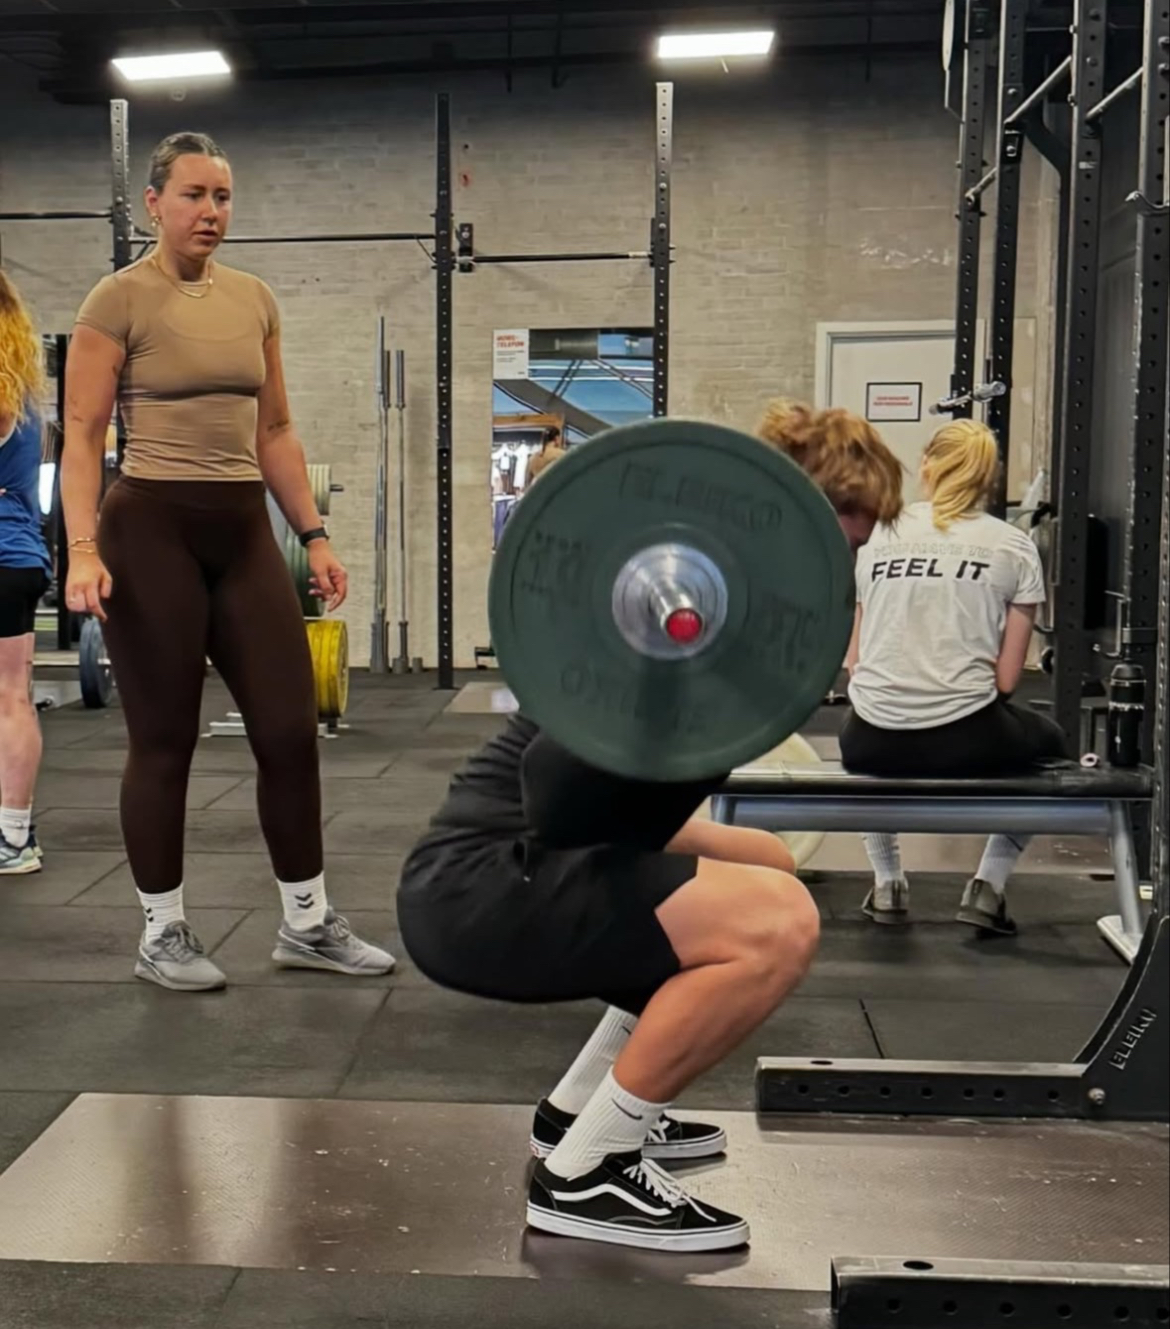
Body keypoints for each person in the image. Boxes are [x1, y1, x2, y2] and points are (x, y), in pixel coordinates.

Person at [396, 401, 904, 1253]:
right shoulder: (674, 634)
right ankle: (589, 1171)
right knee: (776, 924)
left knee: (769, 866)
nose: (839, 573)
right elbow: (553, 790)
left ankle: (576, 1115)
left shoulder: (712, 632)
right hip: (481, 889)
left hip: (495, 869)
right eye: (838, 548)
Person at [60, 131, 393, 991]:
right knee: (164, 740)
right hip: (150, 528)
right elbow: (84, 435)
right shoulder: (116, 300)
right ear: (154, 204)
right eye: (195, 195)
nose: (211, 212)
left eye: (223, 197)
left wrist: (313, 534)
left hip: (244, 530)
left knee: (289, 731)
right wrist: (83, 549)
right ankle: (162, 933)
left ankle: (307, 923)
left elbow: (274, 428)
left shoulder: (254, 299)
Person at [841, 418, 1068, 935]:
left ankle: (888, 883)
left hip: (868, 741)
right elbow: (1006, 682)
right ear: (989, 478)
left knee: (870, 721)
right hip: (968, 739)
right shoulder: (1014, 546)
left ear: (926, 465)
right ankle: (988, 886)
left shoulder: (879, 535)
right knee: (1052, 742)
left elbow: (855, 664)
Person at [0, 270, 53, 875]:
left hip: (3, 557)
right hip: (17, 556)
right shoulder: (26, 390)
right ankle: (14, 832)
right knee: (10, 696)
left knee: (9, 697)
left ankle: (14, 839)